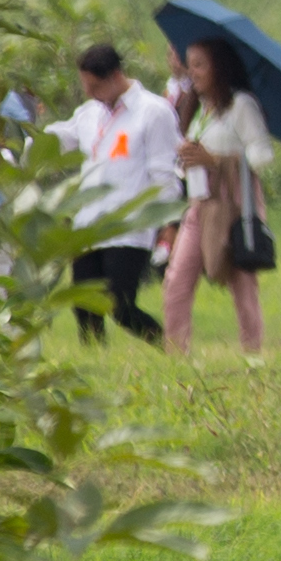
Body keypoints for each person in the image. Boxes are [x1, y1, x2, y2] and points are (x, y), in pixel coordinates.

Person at [61, 42, 183, 346]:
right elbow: (59, 138)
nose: (89, 93)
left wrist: (168, 222)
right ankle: (95, 362)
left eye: (95, 86)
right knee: (84, 305)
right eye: (85, 85)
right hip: (88, 223)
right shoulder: (89, 114)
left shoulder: (153, 112)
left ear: (115, 76)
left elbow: (164, 172)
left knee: (119, 304)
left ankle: (169, 347)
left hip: (129, 225)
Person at [161, 38, 272, 357]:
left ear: (219, 68)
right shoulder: (196, 109)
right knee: (177, 279)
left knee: (242, 284)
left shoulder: (240, 106)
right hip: (198, 207)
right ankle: (176, 356)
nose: (191, 72)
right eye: (189, 64)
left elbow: (262, 155)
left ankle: (253, 354)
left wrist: (217, 159)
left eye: (199, 65)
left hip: (233, 208)